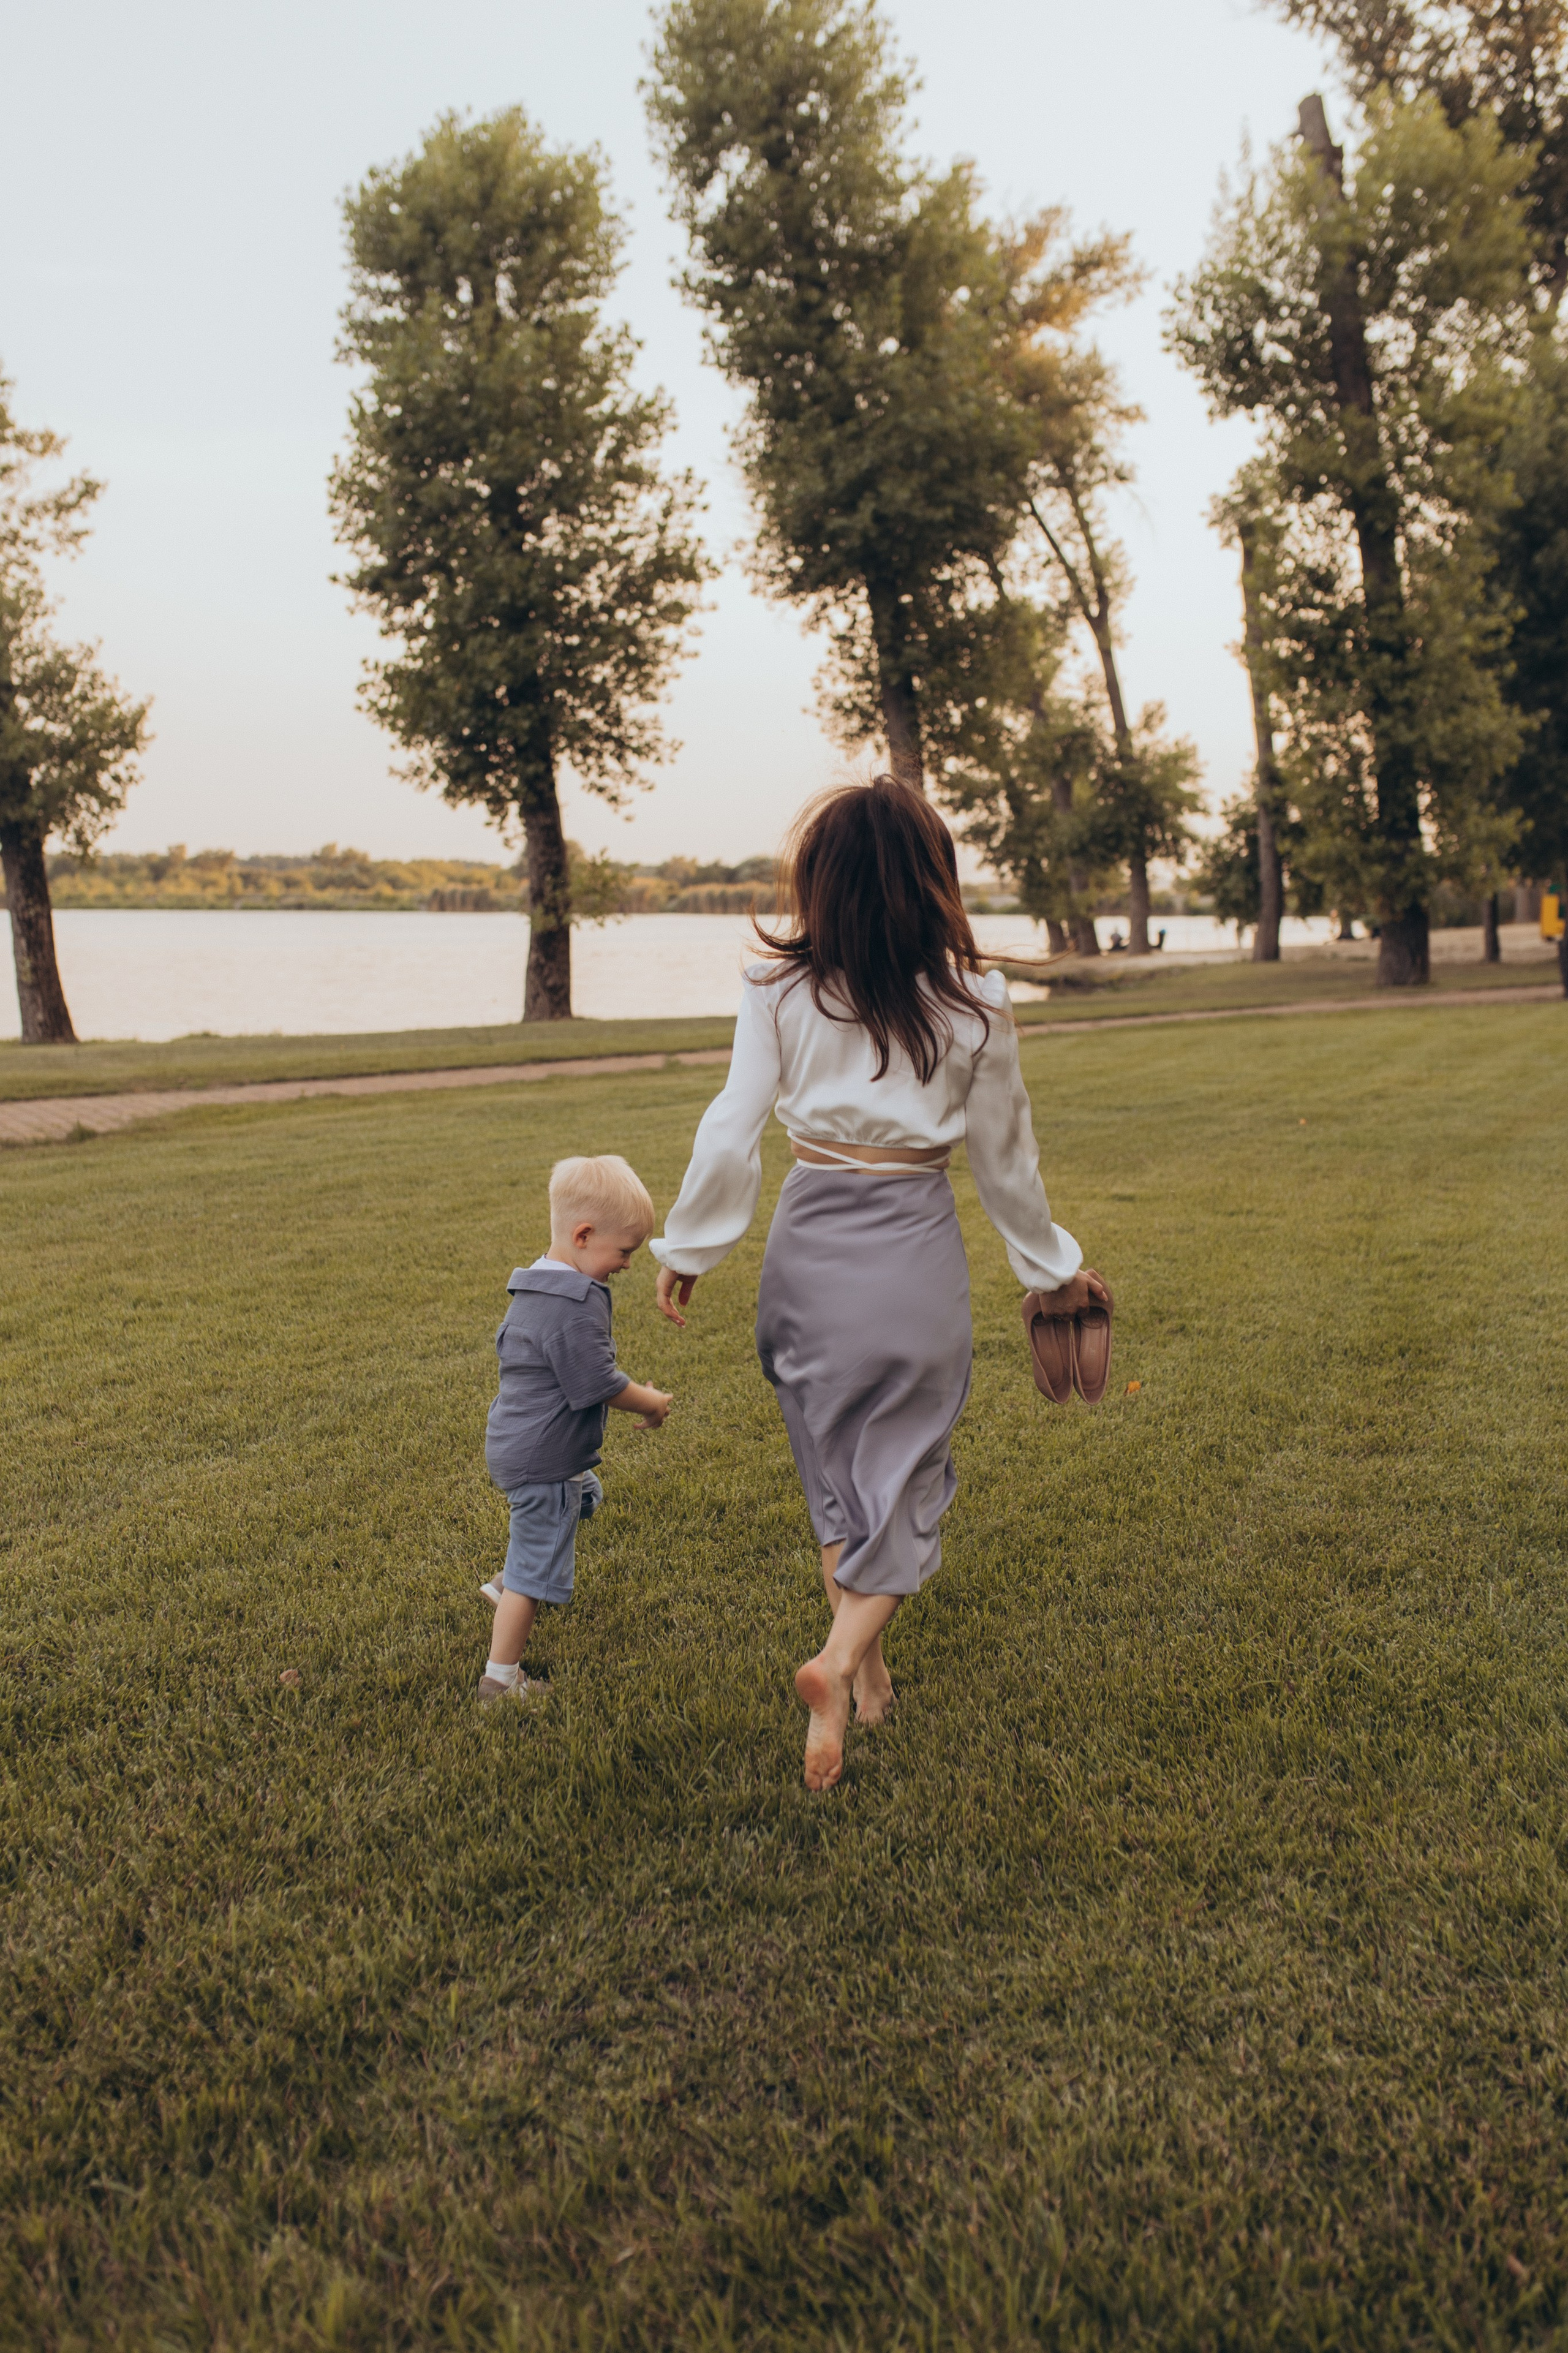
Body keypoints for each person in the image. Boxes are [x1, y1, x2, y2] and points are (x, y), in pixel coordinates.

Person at [650, 777, 1104, 1791]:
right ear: (931, 883)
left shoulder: (777, 990)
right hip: (911, 1256)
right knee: (903, 1484)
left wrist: (690, 1245)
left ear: (823, 883)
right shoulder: (976, 1003)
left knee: (841, 1480)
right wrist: (1052, 1269)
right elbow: (1008, 1163)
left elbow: (732, 1123)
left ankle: (870, 1690)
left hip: (805, 1256)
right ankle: (841, 1661)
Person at [478, 1154, 673, 1704]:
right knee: (535, 1572)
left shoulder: (537, 1282)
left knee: (585, 1495)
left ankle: (505, 1580)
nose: (628, 1265)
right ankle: (501, 1678)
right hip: (545, 1461)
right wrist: (651, 1402)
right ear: (584, 1235)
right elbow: (599, 1384)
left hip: (517, 1443)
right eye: (625, 1251)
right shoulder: (575, 1303)